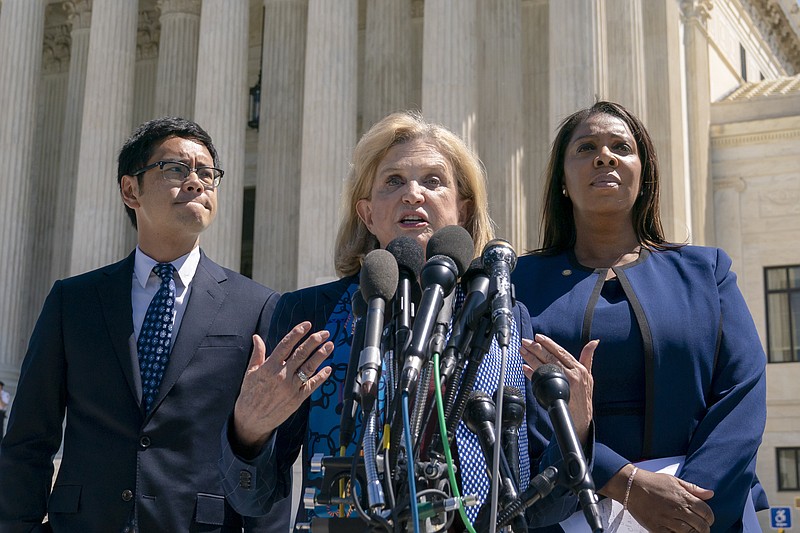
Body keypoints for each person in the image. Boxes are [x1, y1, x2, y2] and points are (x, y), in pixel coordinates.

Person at [219, 110, 595, 531]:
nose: (413, 194)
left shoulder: (506, 321)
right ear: (367, 214)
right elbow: (253, 498)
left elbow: (539, 509)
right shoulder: (310, 315)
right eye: (393, 181)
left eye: (434, 181)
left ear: (463, 212)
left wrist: (576, 431)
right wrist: (248, 431)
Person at [0, 117, 291, 532]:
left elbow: (267, 450)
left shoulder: (257, 305)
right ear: (130, 190)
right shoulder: (74, 301)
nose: (196, 183)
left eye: (207, 174)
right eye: (175, 169)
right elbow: (28, 439)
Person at [512, 101, 767, 532]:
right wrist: (626, 484)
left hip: (701, 513)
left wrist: (688, 507)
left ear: (643, 174)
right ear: (562, 181)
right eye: (586, 147)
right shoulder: (520, 283)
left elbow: (743, 388)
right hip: (568, 511)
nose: (604, 156)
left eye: (621, 147)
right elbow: (519, 409)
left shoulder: (707, 272)